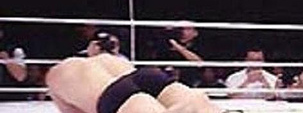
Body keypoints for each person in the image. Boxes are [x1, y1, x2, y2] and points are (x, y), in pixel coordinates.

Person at [46, 53, 223, 113]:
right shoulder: (108, 60)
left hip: (112, 95)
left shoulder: (59, 76)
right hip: (144, 75)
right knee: (199, 105)